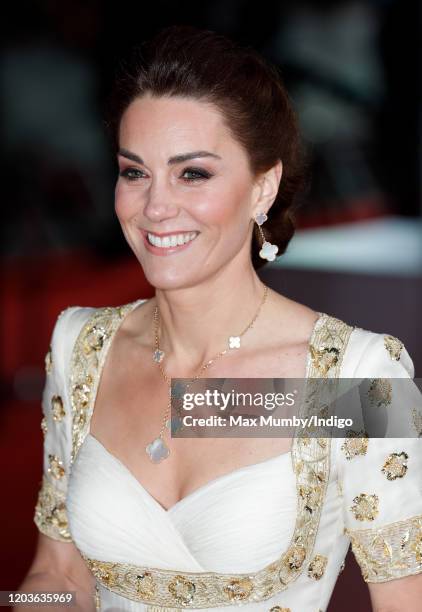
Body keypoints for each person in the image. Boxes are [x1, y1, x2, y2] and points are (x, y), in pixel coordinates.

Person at [17, 26, 422, 612]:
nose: (155, 207)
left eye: (193, 173)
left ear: (264, 187)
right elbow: (58, 576)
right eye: (134, 172)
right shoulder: (80, 344)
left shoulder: (362, 376)